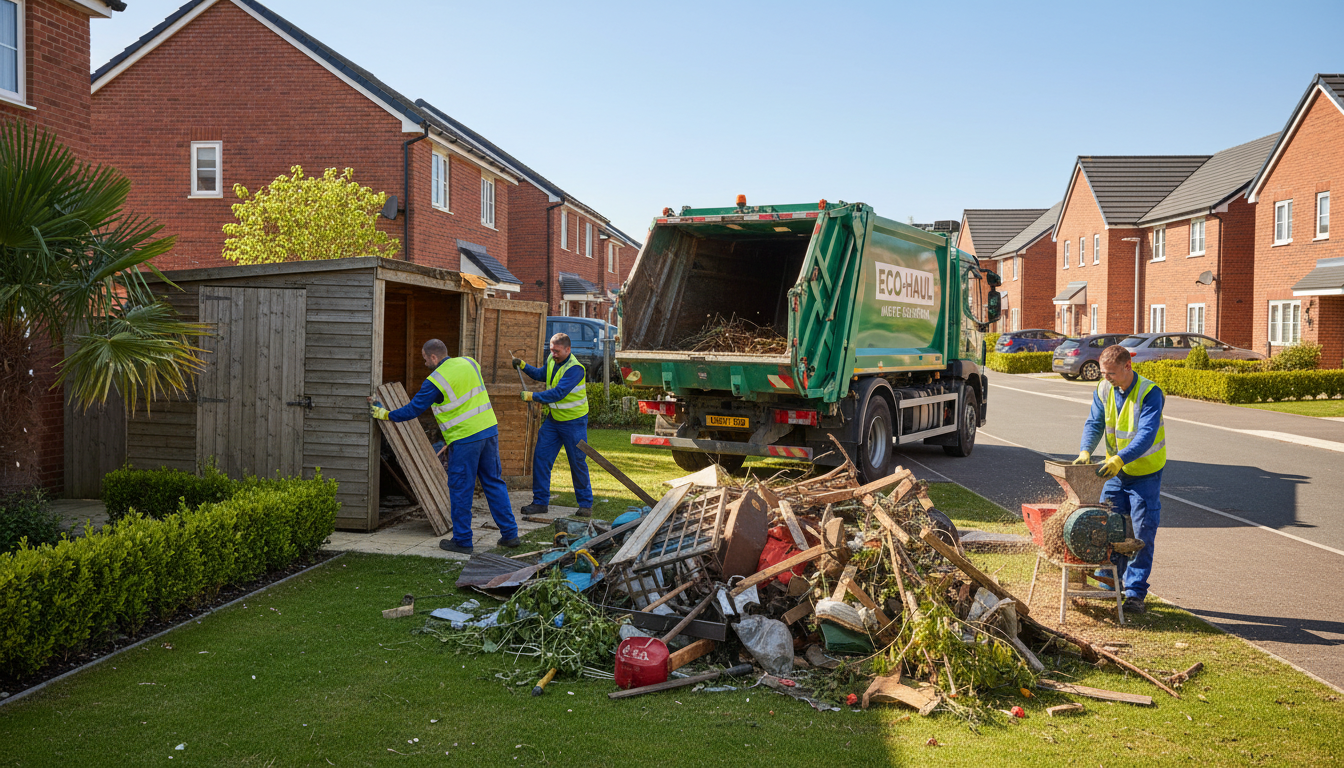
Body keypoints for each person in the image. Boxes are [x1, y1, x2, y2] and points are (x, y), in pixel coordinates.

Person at [369, 339, 519, 555]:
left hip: (465, 439)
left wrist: (385, 414)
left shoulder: (435, 381)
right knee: (494, 482)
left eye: (424, 359)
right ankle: (510, 535)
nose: (424, 364)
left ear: (433, 357)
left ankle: (463, 541)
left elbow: (413, 410)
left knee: (461, 489)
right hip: (489, 431)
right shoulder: (470, 363)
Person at [1072, 344, 1165, 615]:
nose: (1106, 378)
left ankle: (1135, 594)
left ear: (1128, 367)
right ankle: (1107, 585)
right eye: (1103, 372)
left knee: (1141, 532)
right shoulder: (1103, 389)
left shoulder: (1150, 393)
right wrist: (1085, 450)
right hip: (1115, 472)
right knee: (1107, 528)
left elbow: (1146, 435)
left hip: (1145, 474)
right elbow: (1095, 423)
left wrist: (1120, 458)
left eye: (1111, 373)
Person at [513, 332, 594, 517]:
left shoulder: (576, 369)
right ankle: (540, 502)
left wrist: (533, 396)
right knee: (541, 458)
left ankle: (585, 505)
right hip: (554, 420)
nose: (553, 354)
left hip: (574, 422)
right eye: (551, 350)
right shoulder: (552, 360)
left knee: (577, 462)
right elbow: (543, 374)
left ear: (568, 349)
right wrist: (524, 366)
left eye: (557, 351)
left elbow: (558, 393)